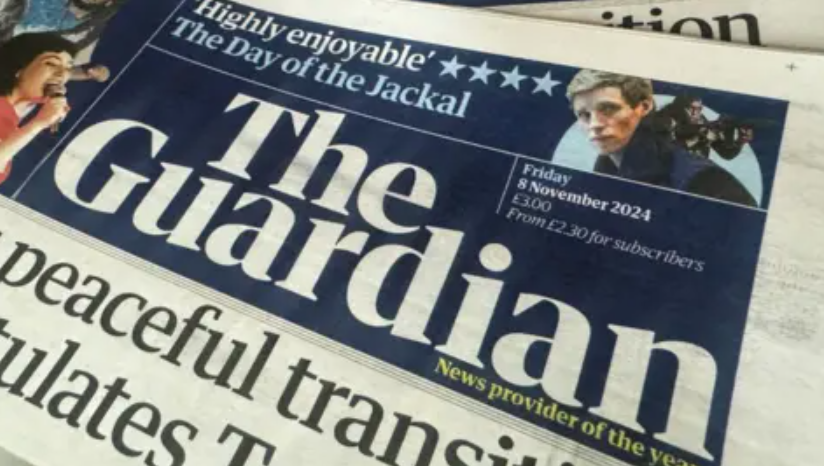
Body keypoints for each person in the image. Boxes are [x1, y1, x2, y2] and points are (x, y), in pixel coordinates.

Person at [565, 69, 757, 207]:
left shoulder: (706, 181)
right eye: (584, 115)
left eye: (608, 108)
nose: (595, 124)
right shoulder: (605, 169)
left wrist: (738, 141)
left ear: (644, 106)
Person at [0, 32, 76, 185]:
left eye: (68, 68)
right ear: (19, 68)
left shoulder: (12, 120)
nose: (61, 74)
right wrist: (38, 123)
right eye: (51, 64)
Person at [656, 95, 754, 160]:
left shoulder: (701, 122)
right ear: (678, 108)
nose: (695, 113)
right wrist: (697, 139)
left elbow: (726, 154)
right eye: (690, 108)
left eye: (699, 109)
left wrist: (740, 142)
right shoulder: (665, 120)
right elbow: (664, 152)